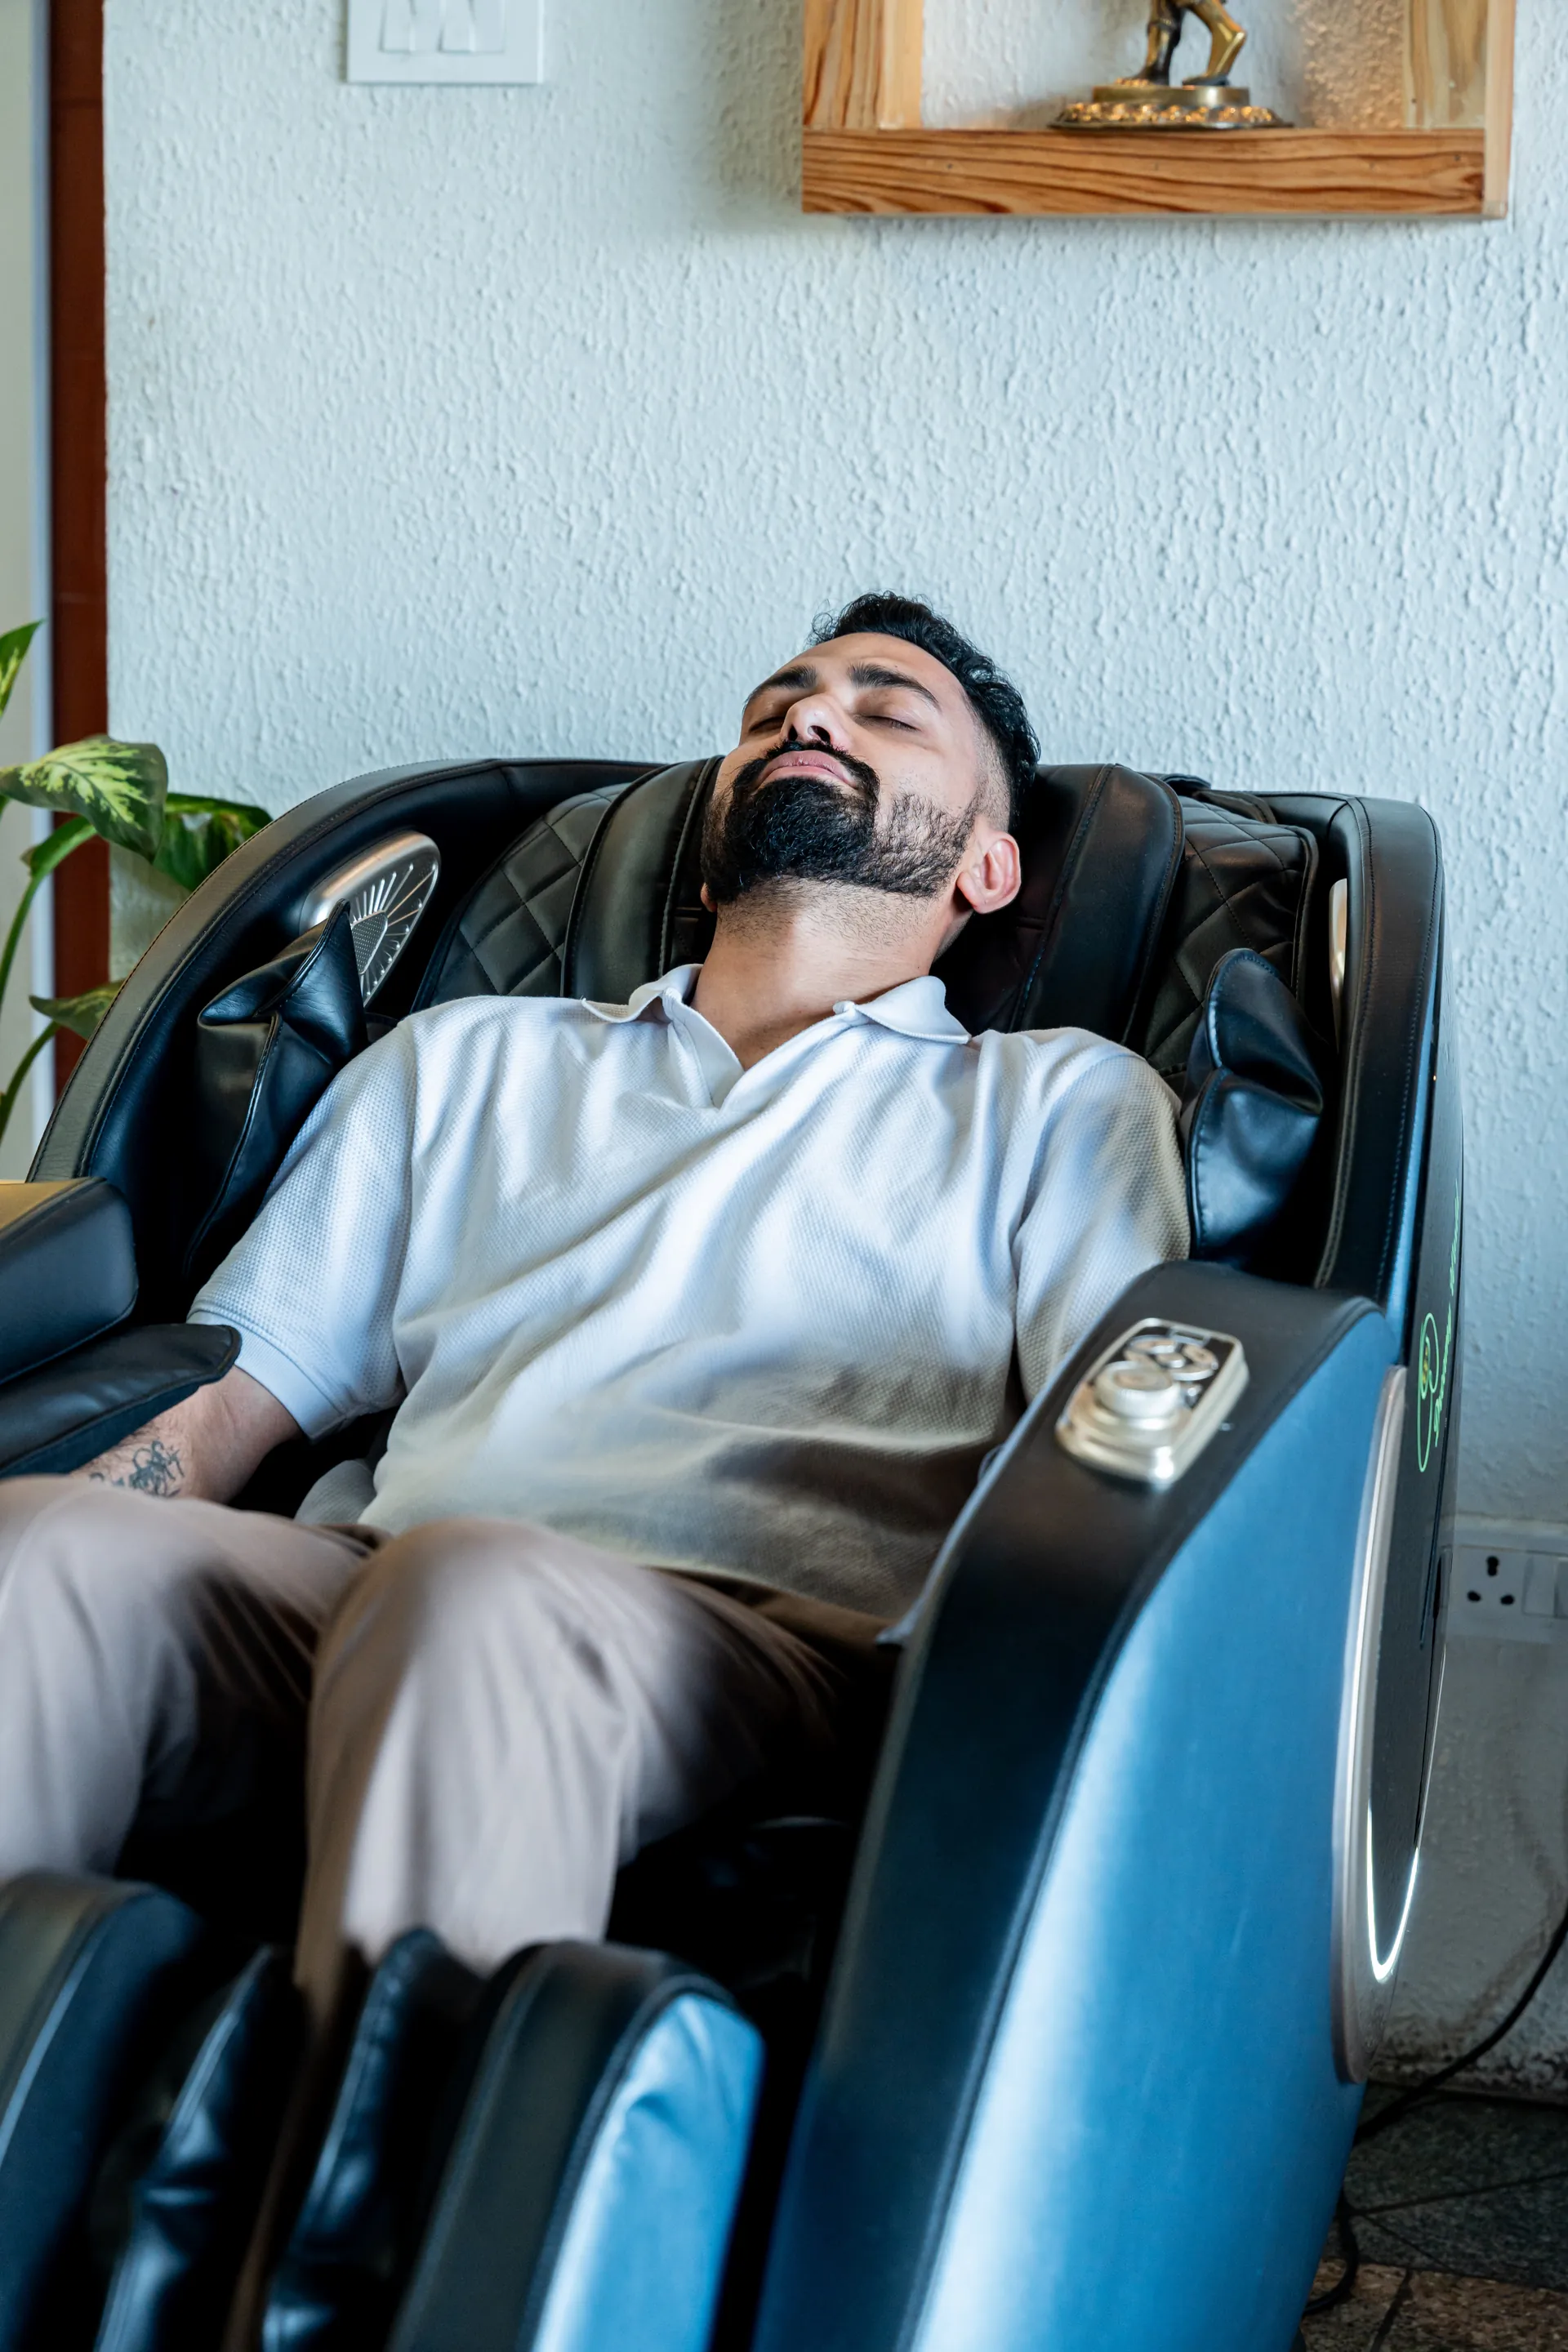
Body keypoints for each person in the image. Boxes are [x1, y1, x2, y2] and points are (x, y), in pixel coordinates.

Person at [0, 592, 1187, 2038]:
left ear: (991, 870)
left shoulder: (1056, 1105)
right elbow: (233, 1397)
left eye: (886, 709)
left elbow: (1120, 1465)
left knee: (476, 1595)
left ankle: (369, 2247)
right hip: (370, 1584)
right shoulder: (465, 1061)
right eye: (775, 710)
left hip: (774, 1644)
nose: (808, 717)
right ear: (706, 846)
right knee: (35, 1546)